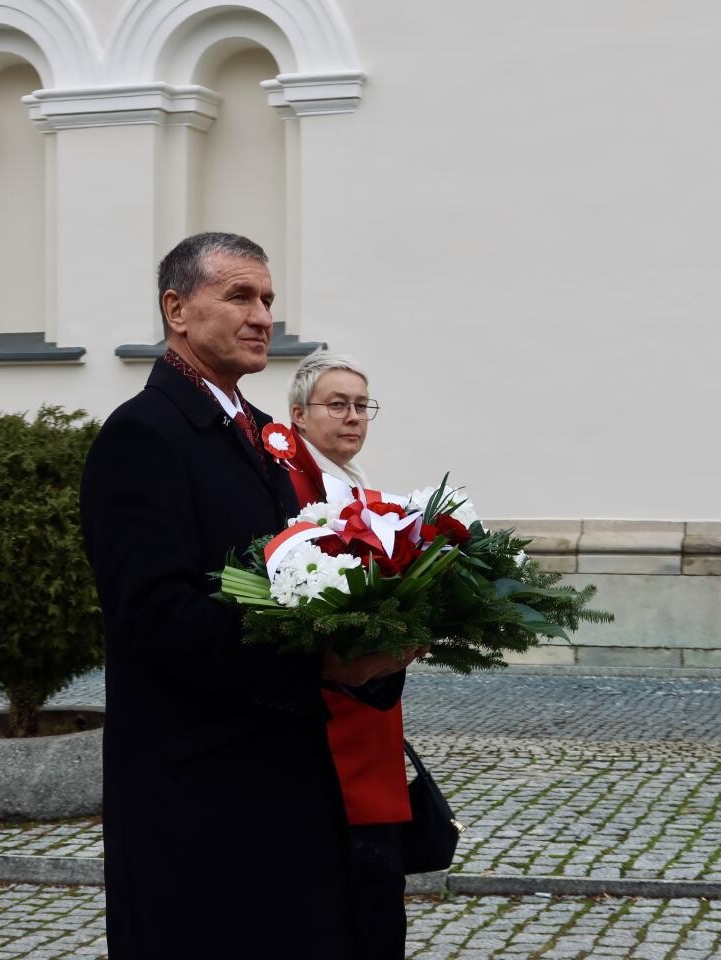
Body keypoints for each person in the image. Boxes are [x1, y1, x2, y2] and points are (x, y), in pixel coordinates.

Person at [80, 233, 418, 960]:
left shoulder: (261, 435)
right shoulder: (144, 436)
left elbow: (304, 584)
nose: (263, 315)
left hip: (284, 774)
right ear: (177, 308)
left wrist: (376, 637)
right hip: (196, 794)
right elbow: (155, 616)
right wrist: (319, 666)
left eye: (267, 298)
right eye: (240, 296)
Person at [287, 351, 419, 960]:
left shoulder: (358, 482)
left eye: (361, 405)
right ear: (298, 415)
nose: (353, 417)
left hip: (369, 712)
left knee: (376, 901)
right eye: (336, 404)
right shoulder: (291, 485)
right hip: (330, 717)